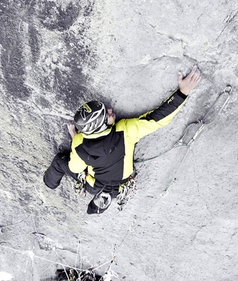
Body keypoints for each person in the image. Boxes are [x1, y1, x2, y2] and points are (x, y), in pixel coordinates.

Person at [44, 65, 201, 214]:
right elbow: (157, 119)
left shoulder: (79, 144)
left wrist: (75, 138)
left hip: (99, 185)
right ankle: (101, 200)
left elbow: (76, 168)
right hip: (118, 184)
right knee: (98, 181)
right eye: (107, 113)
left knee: (60, 162)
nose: (110, 110)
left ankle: (49, 183)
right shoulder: (125, 131)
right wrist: (182, 93)